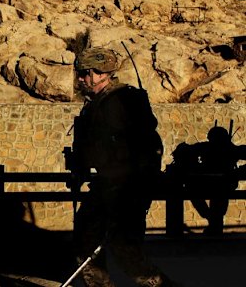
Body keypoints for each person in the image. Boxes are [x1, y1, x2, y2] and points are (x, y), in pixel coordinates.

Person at [70, 47, 177, 286]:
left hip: (128, 188)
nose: (80, 78)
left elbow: (143, 148)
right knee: (86, 240)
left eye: (84, 73)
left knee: (125, 249)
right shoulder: (97, 103)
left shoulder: (122, 101)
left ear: (99, 73)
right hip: (107, 185)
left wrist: (133, 189)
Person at [169, 126, 246, 235]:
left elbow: (182, 150)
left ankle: (213, 222)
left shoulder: (222, 149)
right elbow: (182, 151)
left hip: (219, 185)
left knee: (197, 190)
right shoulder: (225, 149)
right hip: (219, 185)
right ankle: (213, 222)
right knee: (195, 190)